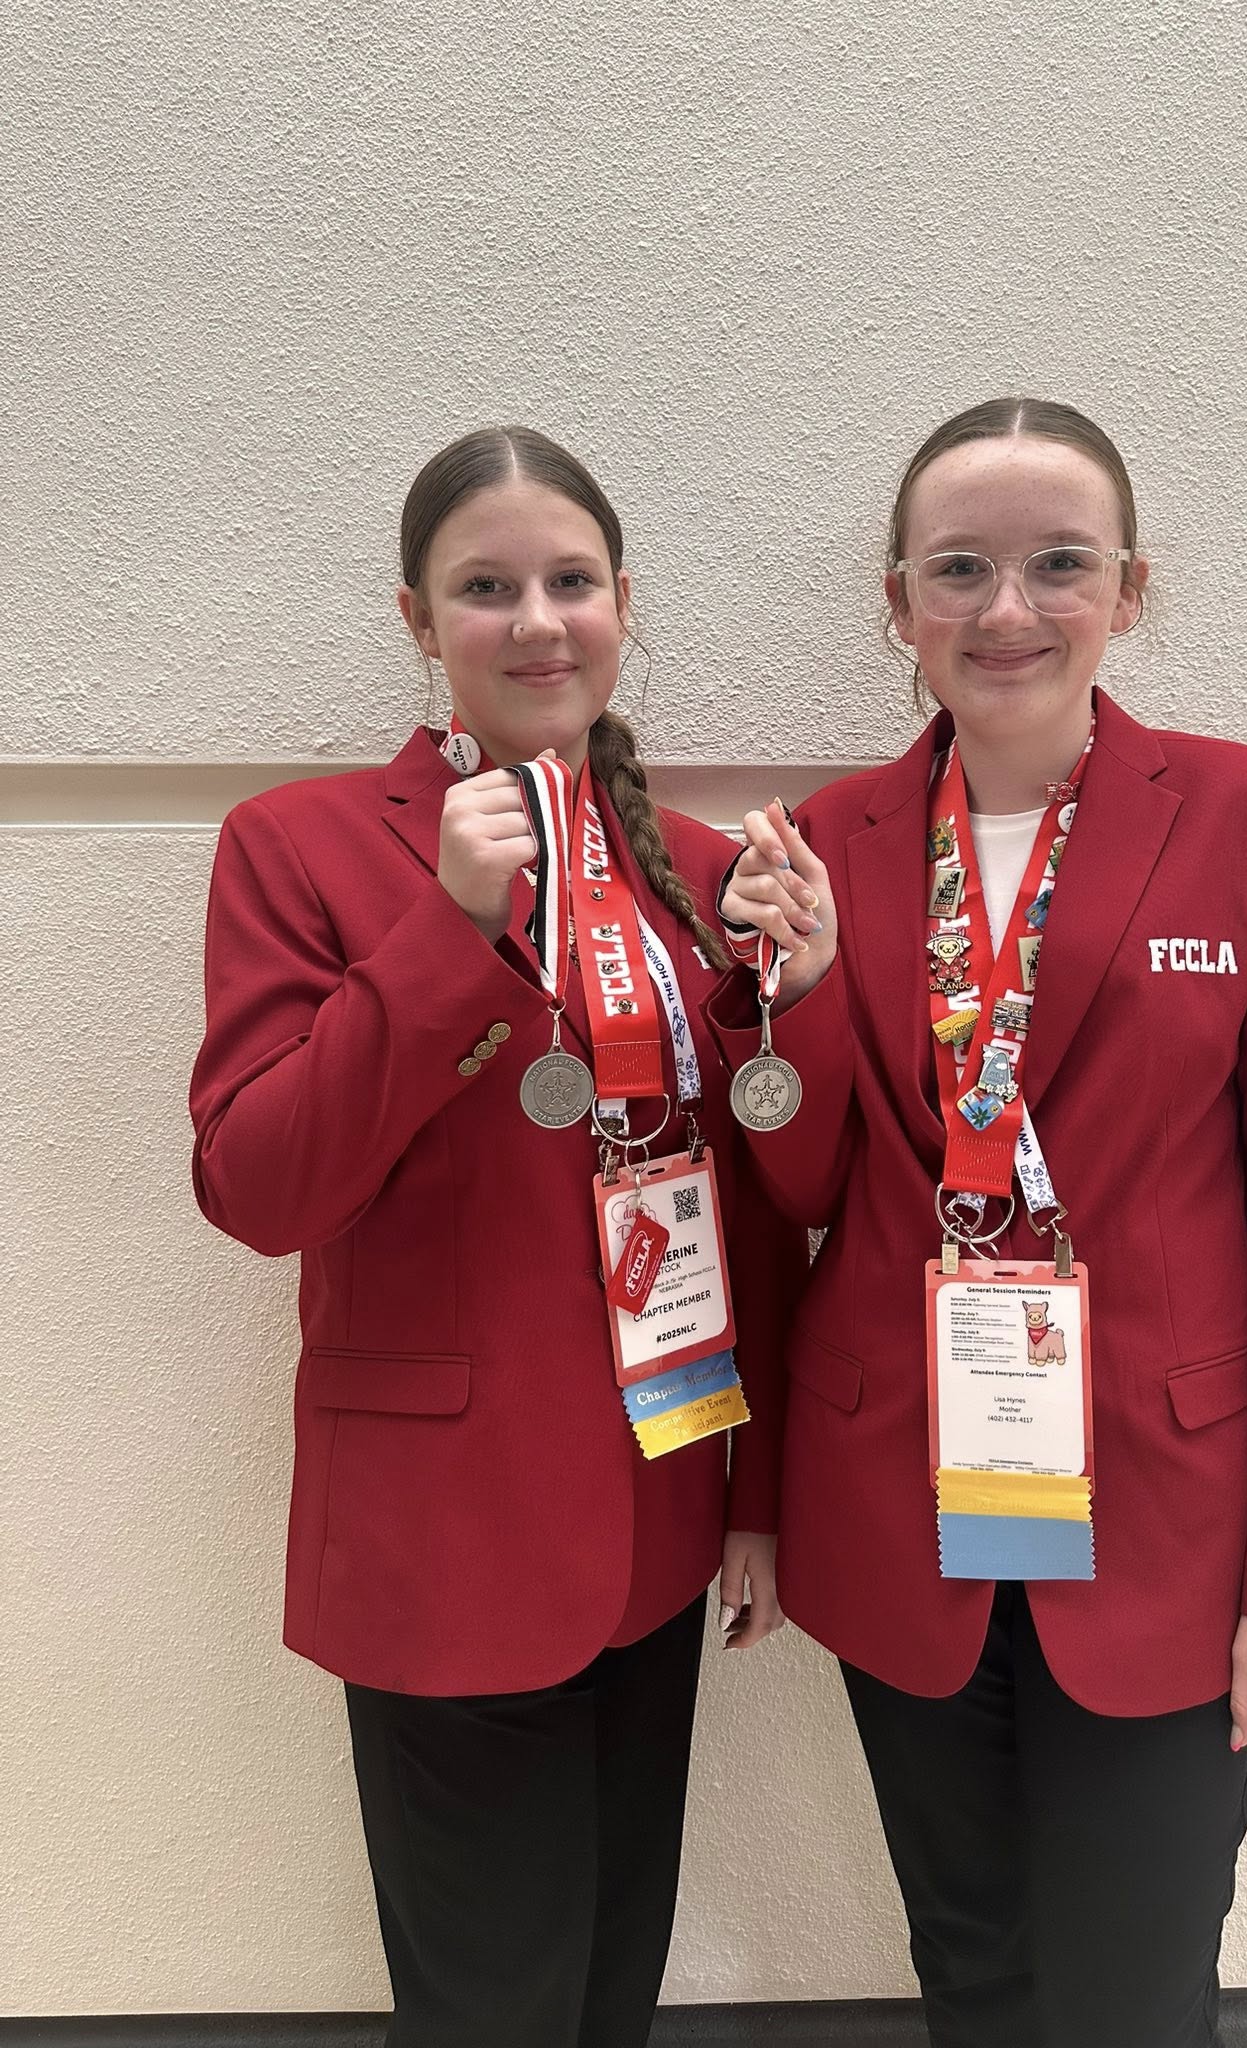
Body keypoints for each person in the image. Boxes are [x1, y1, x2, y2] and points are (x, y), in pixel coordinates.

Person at [710, 397, 1247, 2048]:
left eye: (1058, 563)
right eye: (961, 569)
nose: (1007, 609)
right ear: (900, 604)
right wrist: (783, 1007)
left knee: (1137, 1990)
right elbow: (802, 1201)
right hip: (901, 1501)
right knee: (974, 1971)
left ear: (1130, 590)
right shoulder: (827, 847)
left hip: (1167, 1519)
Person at [189, 425, 801, 2048]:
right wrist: (445, 936)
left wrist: (760, 1494)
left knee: (609, 1993)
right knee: (487, 2011)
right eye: (486, 588)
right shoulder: (302, 848)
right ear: (418, 620)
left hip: (660, 1512)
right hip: (443, 1537)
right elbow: (257, 1188)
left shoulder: (714, 875)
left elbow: (757, 1213)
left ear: (621, 604)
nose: (537, 620)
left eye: (570, 581)